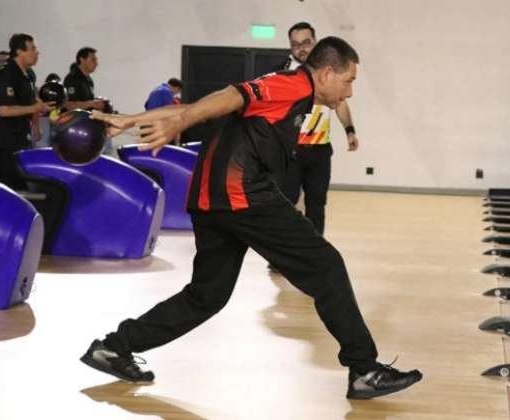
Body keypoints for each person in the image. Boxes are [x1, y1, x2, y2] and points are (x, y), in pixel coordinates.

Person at [81, 36, 422, 400]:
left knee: (207, 296)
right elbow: (231, 96)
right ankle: (364, 369)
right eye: (349, 80)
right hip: (241, 196)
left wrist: (132, 119)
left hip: (212, 200)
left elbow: (207, 104)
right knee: (326, 266)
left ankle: (114, 348)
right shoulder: (290, 84)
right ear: (326, 73)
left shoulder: (296, 93)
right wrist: (177, 122)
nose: (350, 92)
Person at [278, 22, 360, 237]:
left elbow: (341, 102)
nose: (301, 49)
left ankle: (315, 252)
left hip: (319, 150)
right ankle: (281, 255)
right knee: (285, 202)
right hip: (291, 151)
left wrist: (349, 131)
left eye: (306, 43)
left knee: (316, 204)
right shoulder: (286, 74)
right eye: (295, 45)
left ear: (315, 42)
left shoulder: (328, 74)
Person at [0, 33, 51, 189]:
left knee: (24, 184)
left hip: (21, 138)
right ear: (20, 52)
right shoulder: (6, 74)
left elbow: (31, 101)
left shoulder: (27, 75)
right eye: (33, 49)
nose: (37, 53)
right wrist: (36, 108)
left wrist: (36, 122)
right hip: (6, 140)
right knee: (12, 187)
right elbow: (5, 110)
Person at [64, 47, 106, 111]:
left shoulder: (89, 80)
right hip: (75, 120)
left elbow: (88, 103)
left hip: (86, 118)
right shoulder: (72, 78)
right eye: (93, 59)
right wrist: (92, 103)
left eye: (96, 60)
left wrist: (97, 103)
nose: (96, 63)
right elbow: (69, 105)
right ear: (82, 60)